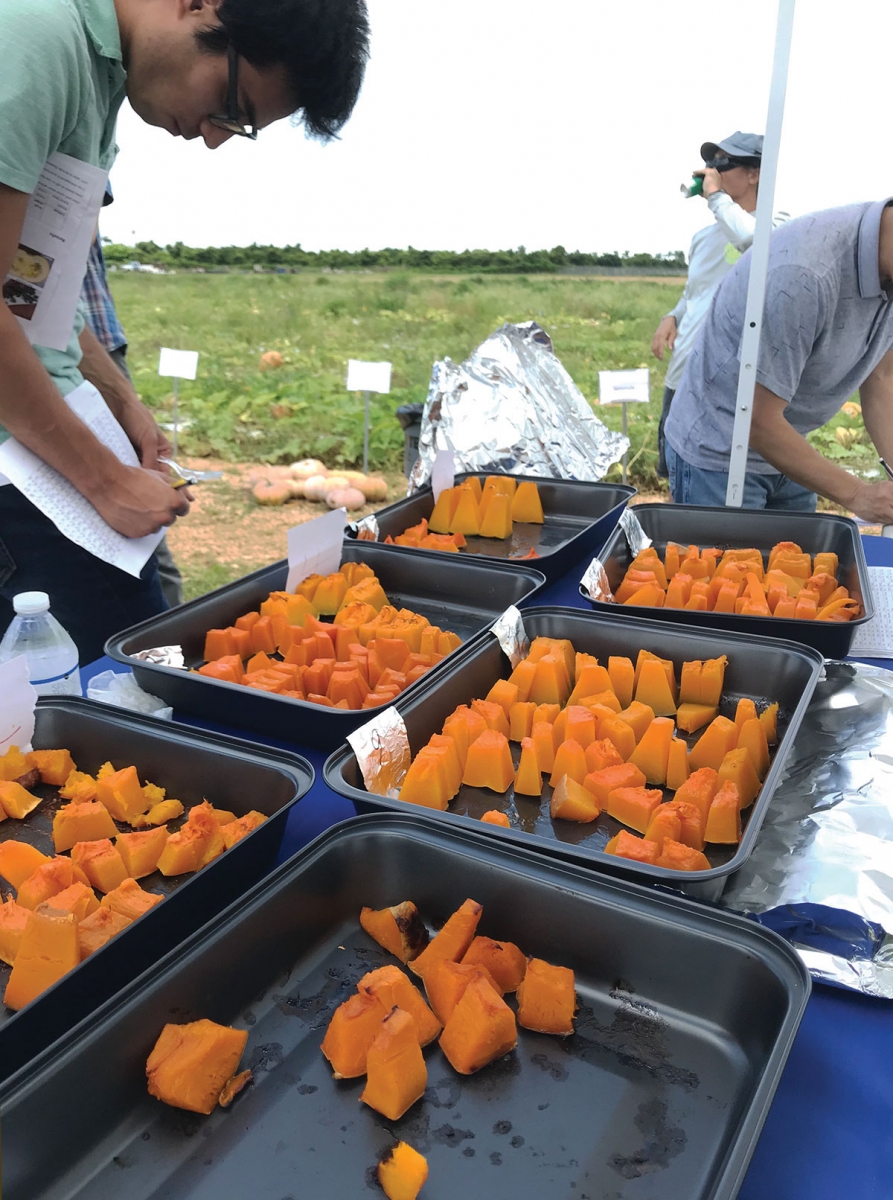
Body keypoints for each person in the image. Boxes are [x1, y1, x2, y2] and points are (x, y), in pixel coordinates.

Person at [0, 0, 369, 663]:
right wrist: (104, 482)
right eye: (232, 103)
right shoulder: (35, 36)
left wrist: (121, 400)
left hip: (39, 450)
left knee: (132, 686)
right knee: (117, 703)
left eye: (241, 127)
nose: (214, 137)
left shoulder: (99, 72)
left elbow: (29, 292)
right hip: (17, 469)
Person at [664, 198, 893, 523]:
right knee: (726, 572)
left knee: (794, 572)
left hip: (790, 446)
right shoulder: (805, 274)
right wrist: (858, 495)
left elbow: (881, 377)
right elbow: (756, 421)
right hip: (722, 454)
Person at [651, 132, 788, 477]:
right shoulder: (703, 236)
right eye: (710, 163)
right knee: (677, 472)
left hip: (727, 381)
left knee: (715, 478)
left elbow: (752, 244)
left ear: (754, 174)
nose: (711, 170)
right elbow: (696, 292)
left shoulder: (778, 225)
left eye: (722, 164)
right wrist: (674, 314)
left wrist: (715, 198)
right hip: (682, 375)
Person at [81, 221, 184, 608]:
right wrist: (107, 482)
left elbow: (53, 308)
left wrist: (127, 401)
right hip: (72, 362)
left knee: (145, 542)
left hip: (94, 351)